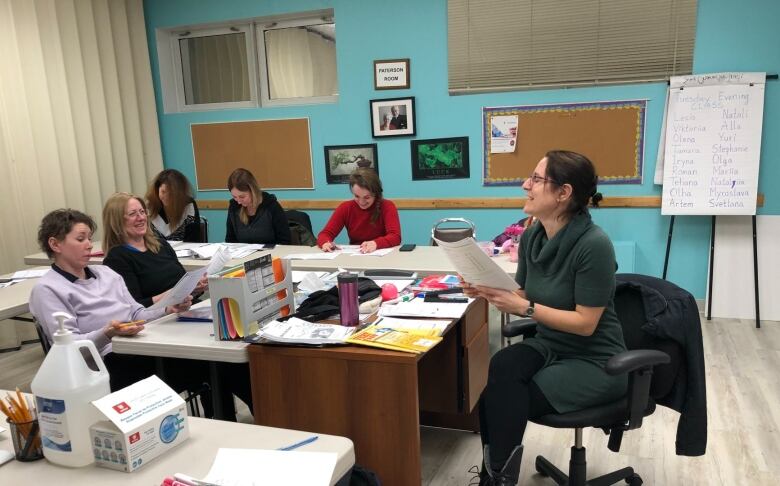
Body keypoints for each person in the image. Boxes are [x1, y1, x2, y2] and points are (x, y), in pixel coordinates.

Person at [463, 150, 627, 485]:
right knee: (501, 370)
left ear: (563, 193)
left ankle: (496, 481)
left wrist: (523, 308)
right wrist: (488, 290)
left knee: (505, 397)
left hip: (595, 359)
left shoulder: (594, 244)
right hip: (551, 343)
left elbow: (585, 323)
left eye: (537, 180)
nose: (525, 185)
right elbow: (524, 292)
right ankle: (493, 478)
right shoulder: (534, 235)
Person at [28, 209, 192, 392]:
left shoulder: (107, 274)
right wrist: (107, 333)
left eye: (90, 238)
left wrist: (168, 309)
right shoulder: (48, 290)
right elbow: (70, 348)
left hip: (136, 349)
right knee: (194, 365)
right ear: (55, 244)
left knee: (204, 362)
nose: (89, 245)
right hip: (103, 366)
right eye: (81, 239)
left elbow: (137, 313)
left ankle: (216, 410)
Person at [102, 192, 205, 307]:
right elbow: (134, 307)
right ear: (117, 221)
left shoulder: (161, 244)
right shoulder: (117, 258)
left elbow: (182, 284)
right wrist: (171, 295)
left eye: (142, 212)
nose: (141, 218)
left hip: (188, 310)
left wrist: (195, 288)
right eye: (132, 214)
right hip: (159, 319)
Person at [317, 168, 402, 253]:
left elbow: (395, 236)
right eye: (357, 196)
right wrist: (325, 243)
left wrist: (376, 243)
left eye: (367, 197)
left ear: (376, 194)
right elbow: (325, 234)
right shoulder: (345, 208)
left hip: (382, 256)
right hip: (355, 257)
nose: (361, 202)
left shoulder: (387, 206)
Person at [226, 168, 291, 245]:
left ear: (253, 190)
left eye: (242, 197)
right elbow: (230, 241)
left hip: (271, 254)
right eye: (234, 197)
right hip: (243, 256)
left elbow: (285, 241)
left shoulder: (271, 206)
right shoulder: (234, 207)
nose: (239, 201)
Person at [146, 169, 202, 242]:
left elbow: (194, 238)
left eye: (171, 193)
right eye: (163, 192)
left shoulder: (188, 205)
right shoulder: (150, 206)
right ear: (157, 190)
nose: (166, 197)